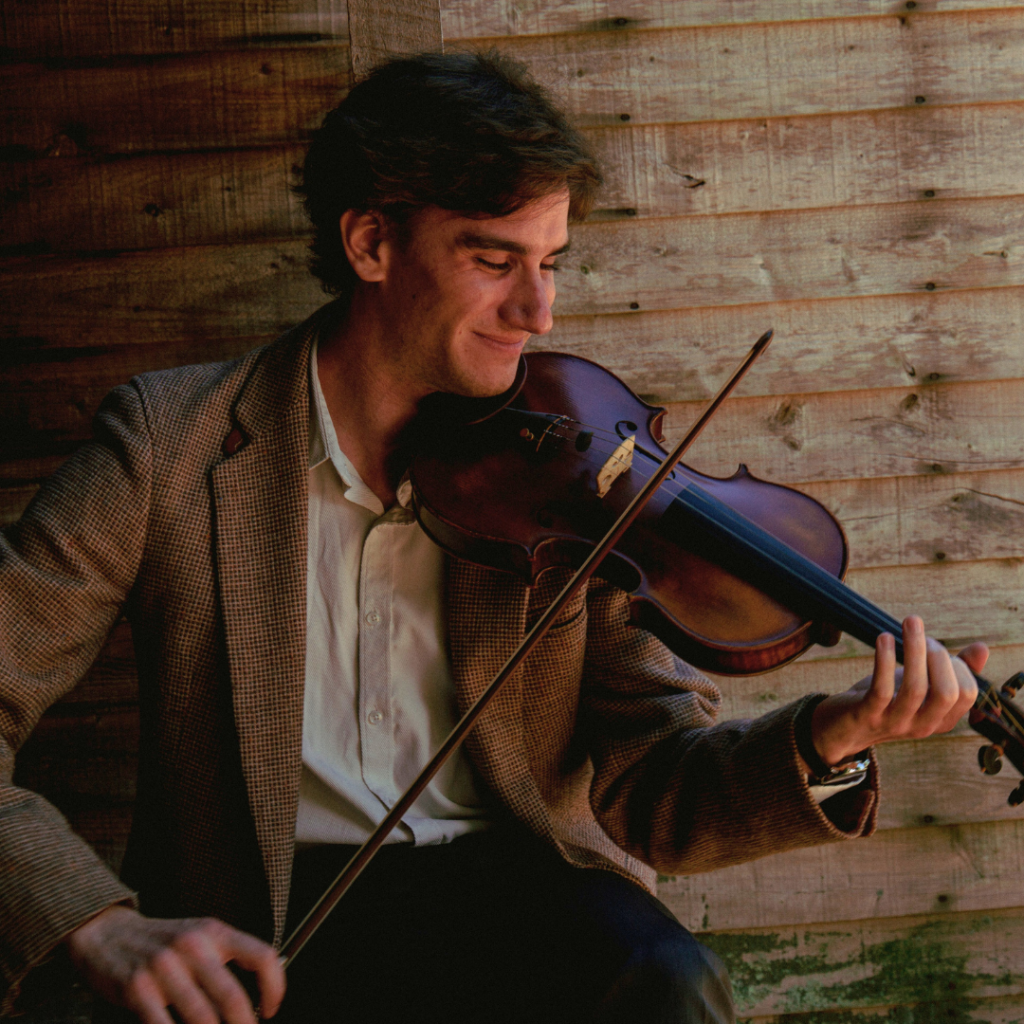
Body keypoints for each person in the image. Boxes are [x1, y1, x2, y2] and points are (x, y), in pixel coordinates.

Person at [0, 51, 984, 1024]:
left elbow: (653, 788)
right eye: (494, 260)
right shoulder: (168, 444)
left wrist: (829, 737)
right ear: (371, 244)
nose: (538, 311)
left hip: (523, 898)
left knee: (663, 978)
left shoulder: (572, 475)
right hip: (265, 916)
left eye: (549, 263)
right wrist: (99, 923)